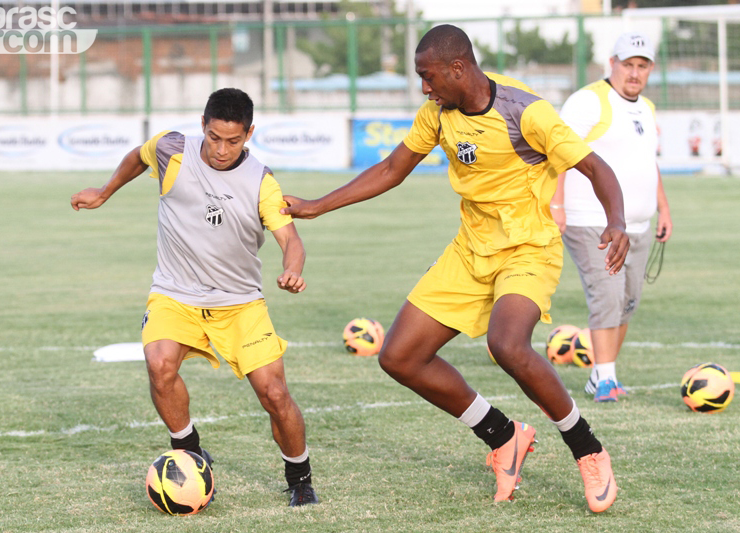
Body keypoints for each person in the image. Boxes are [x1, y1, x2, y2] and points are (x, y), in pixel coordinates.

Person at [281, 24, 629, 512]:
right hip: (469, 251)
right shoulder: (437, 114)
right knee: (399, 356)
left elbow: (596, 168)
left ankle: (588, 449)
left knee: (506, 344)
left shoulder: (525, 111)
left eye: (428, 76)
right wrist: (316, 206)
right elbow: (390, 170)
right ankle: (503, 436)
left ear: (457, 68)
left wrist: (616, 220)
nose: (424, 87)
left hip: (527, 249)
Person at [70, 88, 319, 507]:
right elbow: (137, 156)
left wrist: (292, 269)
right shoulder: (172, 149)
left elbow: (290, 239)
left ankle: (300, 476)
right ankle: (188, 449)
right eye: (214, 138)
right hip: (175, 294)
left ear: (249, 133)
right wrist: (105, 191)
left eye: (233, 141)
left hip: (239, 303)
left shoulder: (262, 181)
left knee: (274, 394)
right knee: (159, 363)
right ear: (203, 126)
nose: (222, 150)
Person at [552, 32, 673, 403]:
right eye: (628, 64)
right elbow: (557, 151)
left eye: (642, 66)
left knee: (628, 301)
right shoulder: (588, 101)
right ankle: (605, 378)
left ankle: (602, 375)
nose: (634, 73)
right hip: (590, 219)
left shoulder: (647, 109)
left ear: (649, 70)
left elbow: (646, 161)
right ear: (612, 64)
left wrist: (663, 208)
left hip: (638, 224)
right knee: (607, 293)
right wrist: (556, 205)